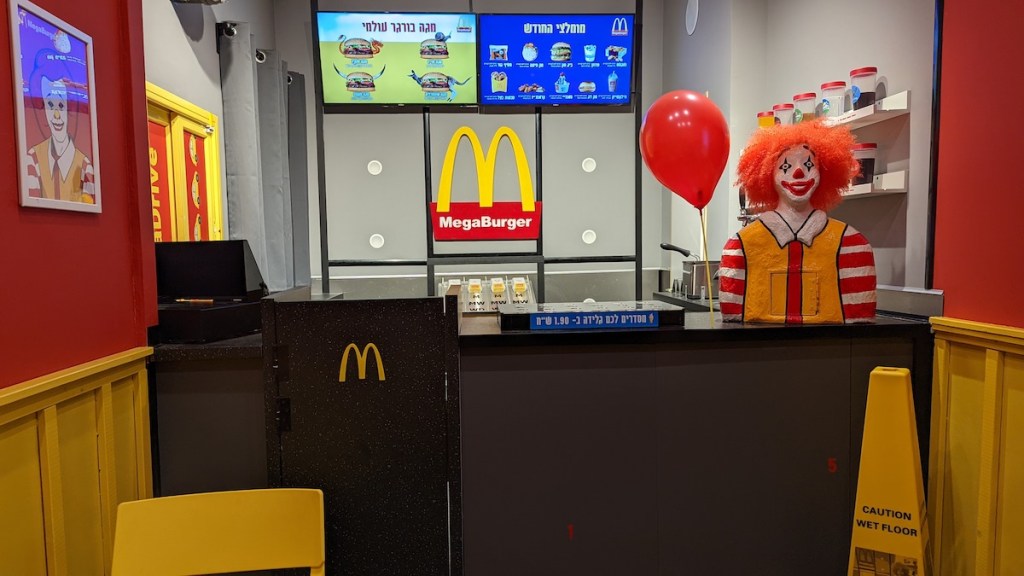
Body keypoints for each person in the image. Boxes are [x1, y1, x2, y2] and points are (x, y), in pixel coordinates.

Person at [719, 120, 876, 324]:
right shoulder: (740, 248)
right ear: (767, 174)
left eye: (809, 164)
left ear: (824, 172)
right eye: (786, 166)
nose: (799, 173)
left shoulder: (852, 245)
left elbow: (860, 324)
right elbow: (732, 321)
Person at [23, 51, 95, 204]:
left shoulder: (85, 164)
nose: (56, 115)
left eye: (61, 105)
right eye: (49, 105)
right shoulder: (32, 159)